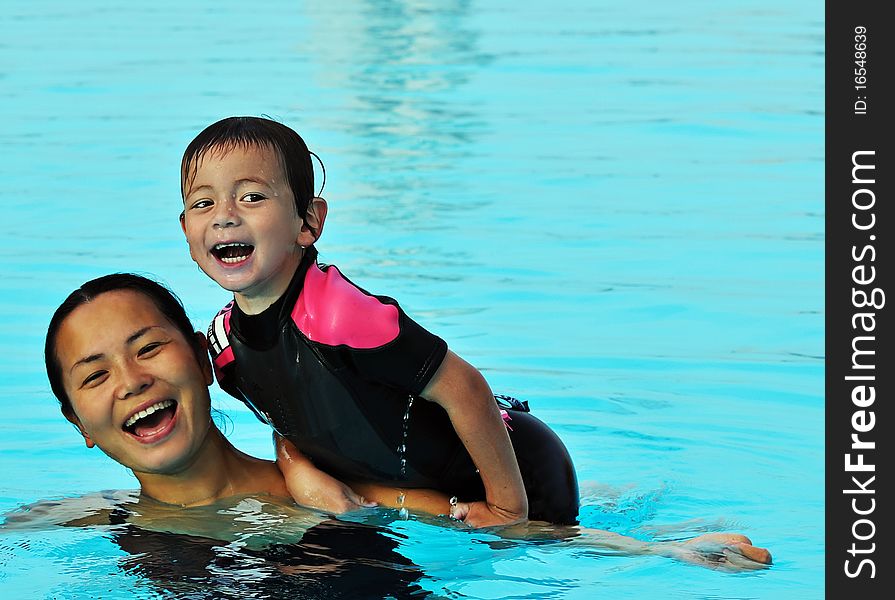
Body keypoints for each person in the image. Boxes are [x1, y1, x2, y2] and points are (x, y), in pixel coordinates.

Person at [40, 273, 772, 570]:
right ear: (77, 422)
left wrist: (660, 556)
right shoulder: (93, 519)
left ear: (204, 361)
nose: (131, 382)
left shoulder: (327, 489)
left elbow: (509, 532)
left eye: (148, 349)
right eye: (95, 375)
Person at [178, 116, 577, 527]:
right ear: (187, 232)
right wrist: (294, 463)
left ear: (309, 222)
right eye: (203, 203)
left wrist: (508, 510)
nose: (224, 216)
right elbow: (287, 410)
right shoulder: (226, 347)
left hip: (522, 474)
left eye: (252, 197)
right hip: (431, 491)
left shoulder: (339, 315)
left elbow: (465, 386)